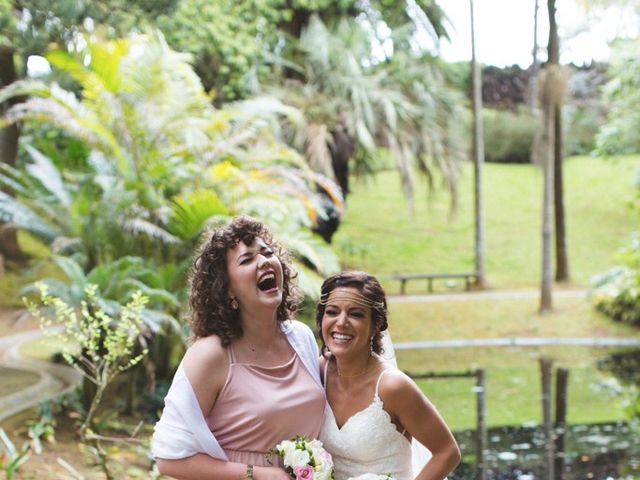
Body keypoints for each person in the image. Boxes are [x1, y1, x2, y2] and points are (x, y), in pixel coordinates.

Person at [152, 216, 325, 480]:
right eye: (247, 260)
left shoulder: (300, 337)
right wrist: (259, 475)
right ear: (227, 290)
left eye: (267, 253)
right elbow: (168, 459)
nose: (264, 261)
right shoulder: (211, 355)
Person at [316, 271, 461, 480]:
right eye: (332, 312)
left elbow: (447, 452)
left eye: (356, 314)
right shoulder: (318, 371)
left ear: (377, 325)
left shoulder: (393, 387)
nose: (341, 322)